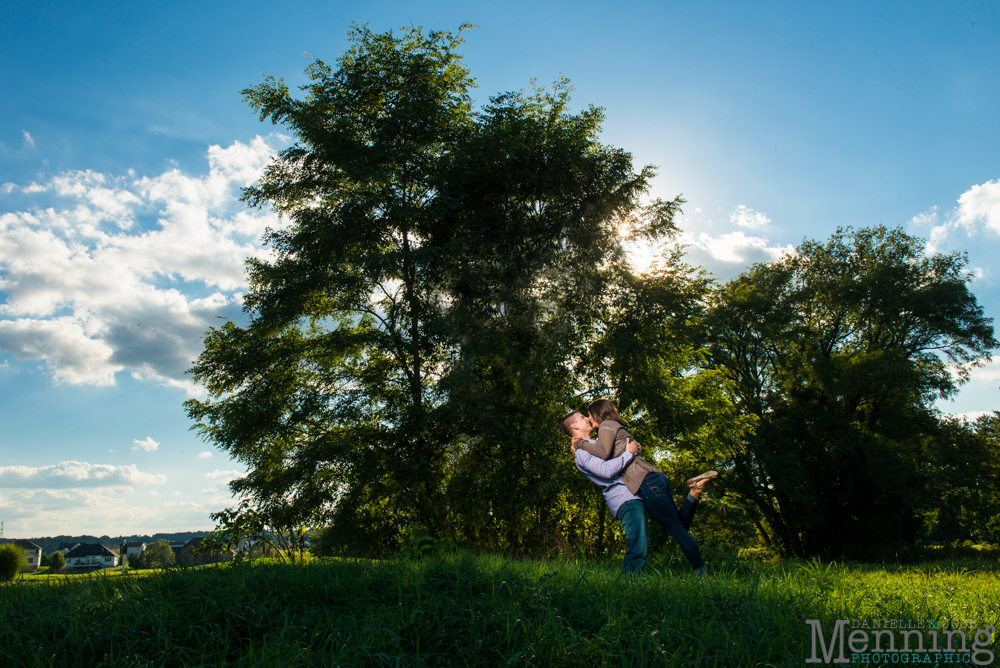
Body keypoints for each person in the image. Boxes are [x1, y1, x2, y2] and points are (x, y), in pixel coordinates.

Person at [573, 399, 717, 576]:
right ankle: (694, 492)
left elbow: (602, 453)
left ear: (599, 413)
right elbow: (605, 451)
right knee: (679, 526)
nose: (588, 418)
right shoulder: (612, 428)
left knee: (677, 530)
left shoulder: (606, 426)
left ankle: (702, 574)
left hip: (645, 482)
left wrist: (579, 444)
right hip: (655, 479)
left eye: (589, 414)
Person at [562, 410, 649, 574]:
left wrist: (635, 449)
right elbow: (606, 470)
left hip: (633, 492)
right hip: (625, 498)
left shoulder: (595, 444)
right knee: (638, 543)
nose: (588, 419)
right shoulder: (581, 452)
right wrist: (628, 453)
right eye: (582, 417)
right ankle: (631, 584)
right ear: (574, 425)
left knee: (642, 539)